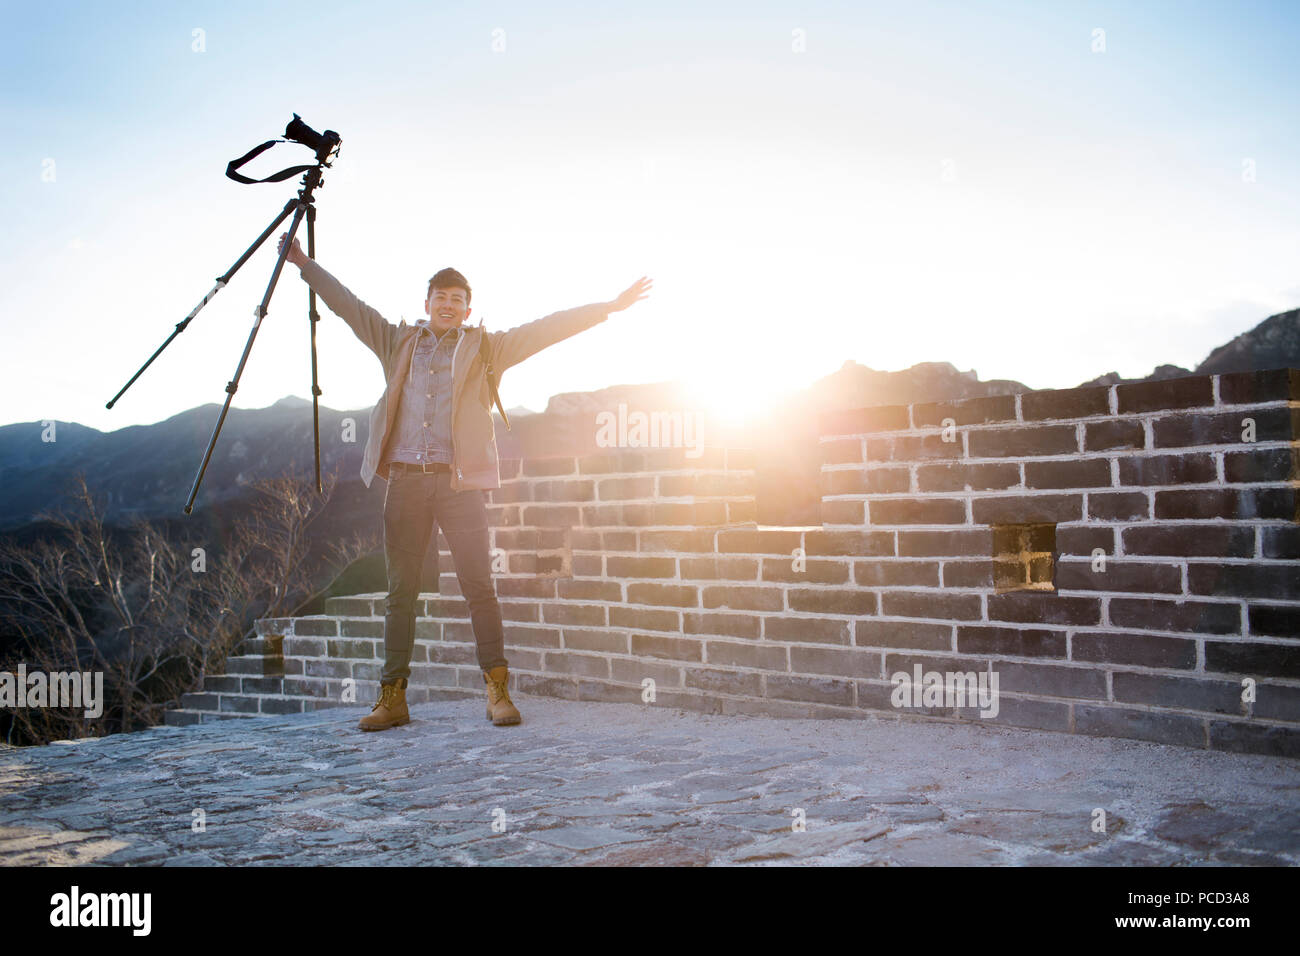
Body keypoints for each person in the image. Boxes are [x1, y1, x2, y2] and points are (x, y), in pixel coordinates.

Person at [277, 232, 651, 730]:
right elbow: (347, 305)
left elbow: (547, 329)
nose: (449, 306)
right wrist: (304, 262)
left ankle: (497, 690)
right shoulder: (396, 341)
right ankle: (392, 697)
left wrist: (608, 307)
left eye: (459, 300)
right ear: (426, 302)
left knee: (479, 586)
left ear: (468, 310)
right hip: (406, 482)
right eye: (442, 298)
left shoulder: (486, 349)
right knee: (401, 593)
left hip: (460, 486)